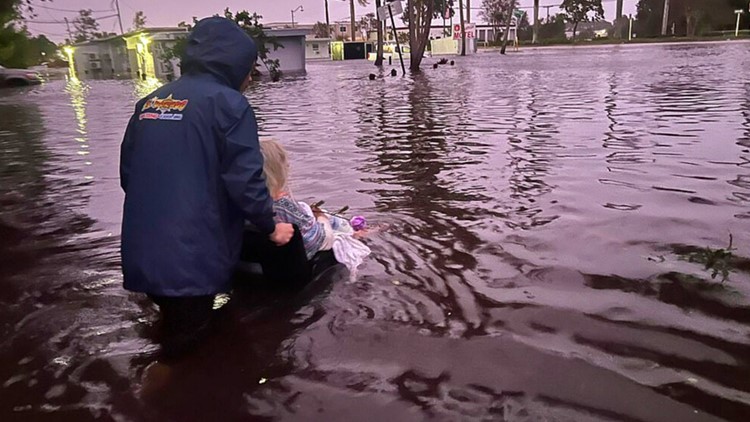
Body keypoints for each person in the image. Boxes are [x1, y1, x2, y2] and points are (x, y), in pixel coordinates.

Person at [119, 17, 294, 361]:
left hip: (142, 255)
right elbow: (246, 180)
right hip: (190, 261)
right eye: (248, 70)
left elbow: (129, 176)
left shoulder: (150, 103)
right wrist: (272, 227)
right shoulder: (229, 104)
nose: (249, 79)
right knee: (186, 349)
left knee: (175, 321)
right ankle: (153, 392)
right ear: (234, 65)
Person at [258, 139, 371, 278]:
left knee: (314, 215)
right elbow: (322, 239)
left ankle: (356, 233)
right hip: (293, 266)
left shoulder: (239, 205)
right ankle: (357, 235)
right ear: (278, 171)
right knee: (333, 226)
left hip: (257, 262)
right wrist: (321, 216)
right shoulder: (283, 205)